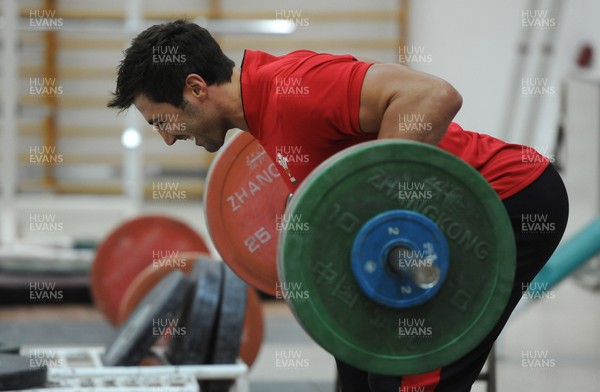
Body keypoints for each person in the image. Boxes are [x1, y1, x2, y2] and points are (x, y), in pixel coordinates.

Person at [108, 20, 569, 392]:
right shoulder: (263, 113)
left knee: (406, 370)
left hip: (507, 199)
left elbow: (433, 96)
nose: (167, 136)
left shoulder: (293, 86)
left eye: (162, 120)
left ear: (195, 87)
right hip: (447, 215)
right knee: (355, 359)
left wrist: (371, 199)